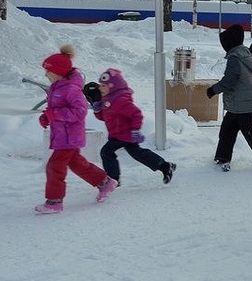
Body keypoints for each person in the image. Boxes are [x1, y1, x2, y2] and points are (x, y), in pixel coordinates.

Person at [33, 45, 116, 214]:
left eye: (48, 71)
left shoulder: (70, 89)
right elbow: (56, 110)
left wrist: (53, 115)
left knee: (54, 166)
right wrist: (46, 116)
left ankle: (54, 201)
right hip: (63, 135)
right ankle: (105, 182)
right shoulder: (59, 86)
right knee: (77, 164)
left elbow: (80, 111)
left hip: (69, 136)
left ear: (59, 72)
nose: (45, 75)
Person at [85, 68, 175, 187]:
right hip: (117, 134)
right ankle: (165, 166)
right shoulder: (108, 101)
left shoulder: (120, 101)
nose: (99, 88)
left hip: (124, 134)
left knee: (106, 152)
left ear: (112, 86)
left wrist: (136, 130)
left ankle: (113, 179)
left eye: (103, 85)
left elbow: (136, 114)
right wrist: (97, 110)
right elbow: (105, 118)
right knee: (138, 153)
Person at [208, 25, 252, 171]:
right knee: (228, 129)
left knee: (248, 131)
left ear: (228, 44)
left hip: (239, 103)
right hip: (241, 101)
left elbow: (229, 80)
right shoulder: (246, 53)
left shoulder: (234, 58)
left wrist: (213, 90)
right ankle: (222, 157)